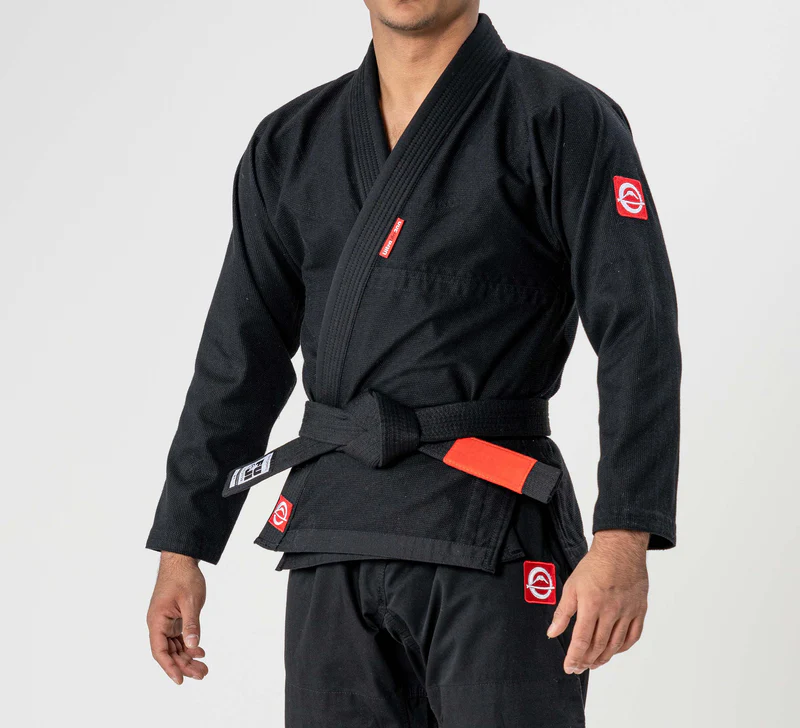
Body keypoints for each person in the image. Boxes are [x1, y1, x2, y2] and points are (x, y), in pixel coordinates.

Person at [146, 1, 681, 725]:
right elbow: (238, 355)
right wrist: (184, 544)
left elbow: (638, 332)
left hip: (493, 525)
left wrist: (623, 538)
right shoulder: (291, 141)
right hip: (331, 534)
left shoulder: (561, 118)